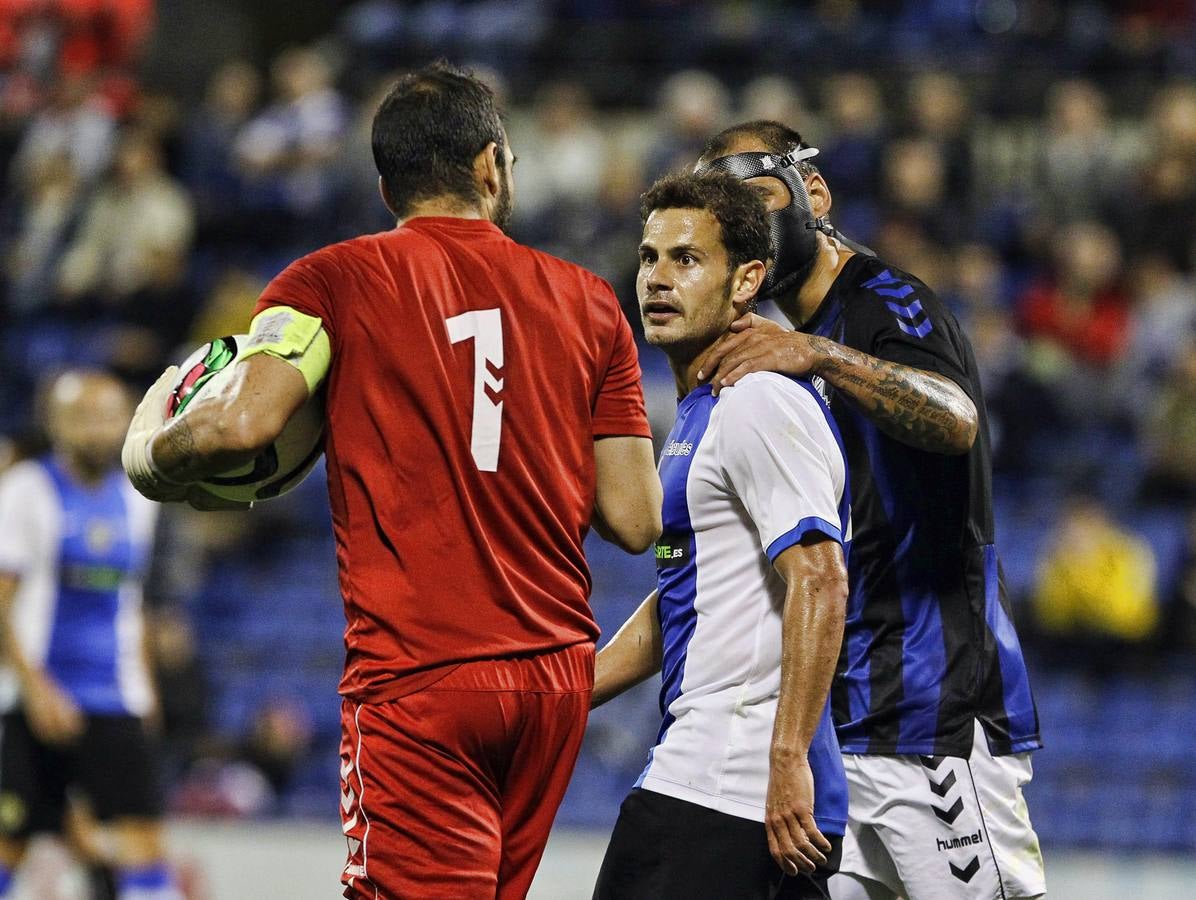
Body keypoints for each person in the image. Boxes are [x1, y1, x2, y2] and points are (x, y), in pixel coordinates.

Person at [121, 61, 662, 899]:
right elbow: (634, 518)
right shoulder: (593, 302)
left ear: (385, 187)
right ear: (492, 165)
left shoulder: (331, 279)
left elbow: (241, 422)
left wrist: (151, 450)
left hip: (422, 679)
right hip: (554, 681)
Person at [695, 121, 1045, 900]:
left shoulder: (886, 304)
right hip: (843, 720)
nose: (747, 233)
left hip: (932, 719)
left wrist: (820, 358)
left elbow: (954, 419)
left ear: (811, 194)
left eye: (755, 204)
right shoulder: (794, 339)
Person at [592, 171, 850, 900]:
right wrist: (568, 690)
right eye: (649, 258)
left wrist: (788, 756)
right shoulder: (706, 408)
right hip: (727, 786)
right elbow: (689, 597)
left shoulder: (757, 401)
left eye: (687, 259)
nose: (658, 279)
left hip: (724, 786)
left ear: (747, 281)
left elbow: (822, 578)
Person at [0, 369, 180, 900]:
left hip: (116, 696)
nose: (98, 431)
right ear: (55, 424)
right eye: (83, 418)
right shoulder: (25, 491)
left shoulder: (142, 498)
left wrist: (146, 688)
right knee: (11, 840)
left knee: (144, 840)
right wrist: (35, 689)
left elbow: (134, 601)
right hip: (37, 701)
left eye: (108, 417)